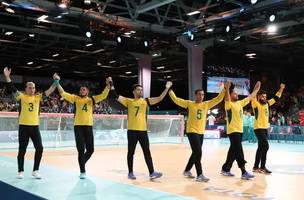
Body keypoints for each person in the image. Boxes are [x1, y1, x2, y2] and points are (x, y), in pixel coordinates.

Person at [109, 78, 172, 180]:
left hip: (143, 131)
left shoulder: (146, 101)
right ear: (134, 91)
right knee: (131, 152)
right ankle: (130, 172)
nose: (140, 91)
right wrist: (111, 83)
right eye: (138, 90)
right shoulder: (128, 101)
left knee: (147, 152)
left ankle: (152, 173)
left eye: (141, 90)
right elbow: (115, 95)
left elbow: (160, 98)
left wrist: (167, 88)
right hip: (132, 131)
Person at [3, 67, 57, 179]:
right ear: (26, 89)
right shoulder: (21, 97)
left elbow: (51, 89)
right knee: (22, 150)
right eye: (30, 88)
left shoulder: (38, 97)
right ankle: (20, 171)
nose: (32, 89)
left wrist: (56, 81)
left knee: (40, 148)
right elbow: (12, 88)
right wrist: (7, 76)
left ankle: (35, 170)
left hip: (35, 127)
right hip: (23, 127)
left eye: (33, 88)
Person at [54, 73, 111, 179]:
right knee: (81, 149)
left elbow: (103, 95)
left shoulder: (92, 99)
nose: (82, 91)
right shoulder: (75, 98)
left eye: (84, 89)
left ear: (88, 91)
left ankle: (81, 162)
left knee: (91, 150)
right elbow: (63, 93)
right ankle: (82, 171)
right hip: (78, 127)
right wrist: (57, 82)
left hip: (88, 126)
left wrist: (108, 85)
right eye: (81, 89)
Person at [168, 82, 228, 182]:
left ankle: (187, 170)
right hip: (191, 131)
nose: (201, 96)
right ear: (195, 95)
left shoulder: (206, 104)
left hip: (200, 132)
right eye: (199, 94)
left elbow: (218, 99)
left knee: (195, 153)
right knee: (198, 152)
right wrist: (169, 90)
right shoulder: (189, 104)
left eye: (203, 94)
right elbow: (176, 100)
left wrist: (225, 89)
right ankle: (200, 174)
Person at [221, 81, 260, 180]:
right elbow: (226, 98)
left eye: (236, 93)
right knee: (239, 150)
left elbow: (250, 97)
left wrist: (256, 90)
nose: (236, 94)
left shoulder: (240, 103)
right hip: (233, 131)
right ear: (230, 96)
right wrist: (227, 89)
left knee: (233, 151)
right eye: (234, 93)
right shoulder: (228, 104)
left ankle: (225, 168)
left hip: (239, 130)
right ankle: (243, 171)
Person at [252, 84, 285, 174]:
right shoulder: (255, 104)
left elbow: (276, 98)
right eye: (262, 96)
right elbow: (253, 95)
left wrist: (281, 89)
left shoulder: (267, 103)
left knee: (260, 147)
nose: (264, 98)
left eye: (265, 97)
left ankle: (255, 167)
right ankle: (262, 167)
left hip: (265, 128)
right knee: (265, 146)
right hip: (258, 128)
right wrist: (256, 88)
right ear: (259, 97)